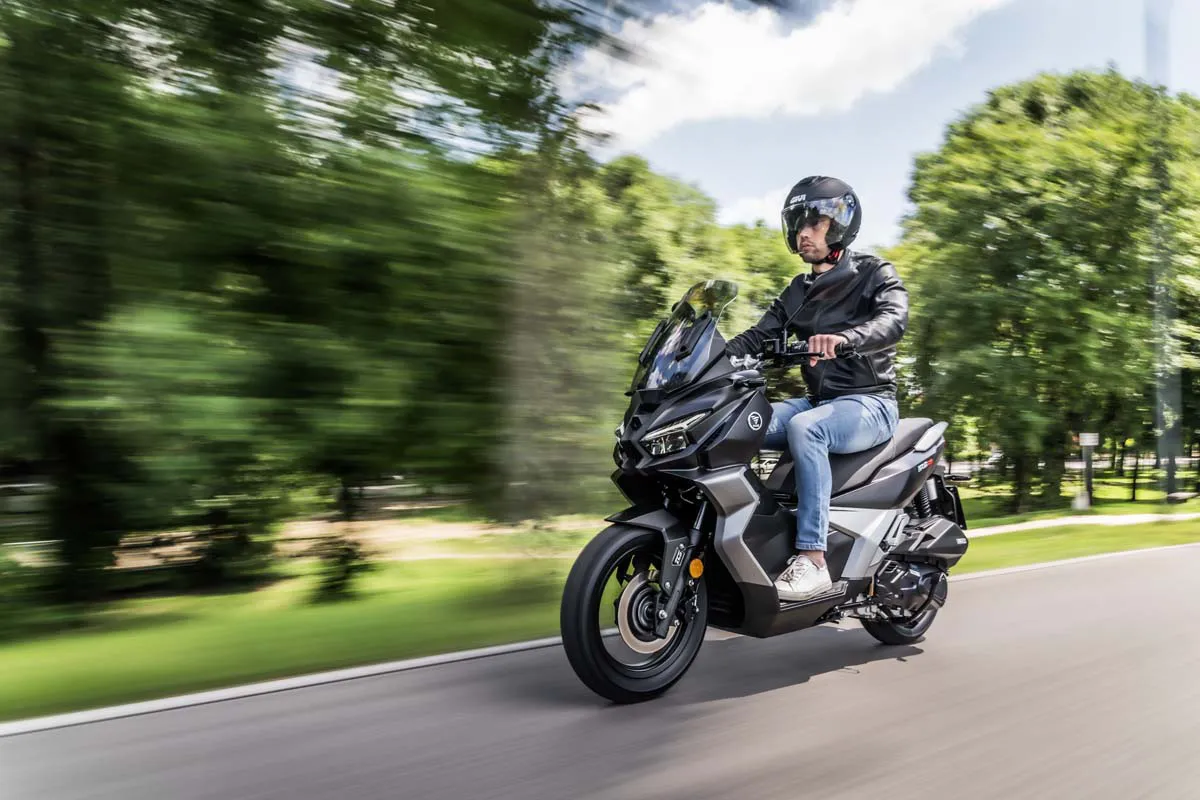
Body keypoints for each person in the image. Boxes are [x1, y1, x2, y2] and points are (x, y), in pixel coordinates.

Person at [725, 176, 909, 602]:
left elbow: (893, 320)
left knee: (807, 428)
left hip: (870, 402)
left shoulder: (874, 273)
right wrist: (701, 362)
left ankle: (813, 559)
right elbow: (755, 337)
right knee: (735, 423)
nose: (803, 233)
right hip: (819, 400)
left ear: (840, 226)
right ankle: (754, 534)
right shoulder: (797, 291)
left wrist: (847, 339)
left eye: (815, 223)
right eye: (798, 224)